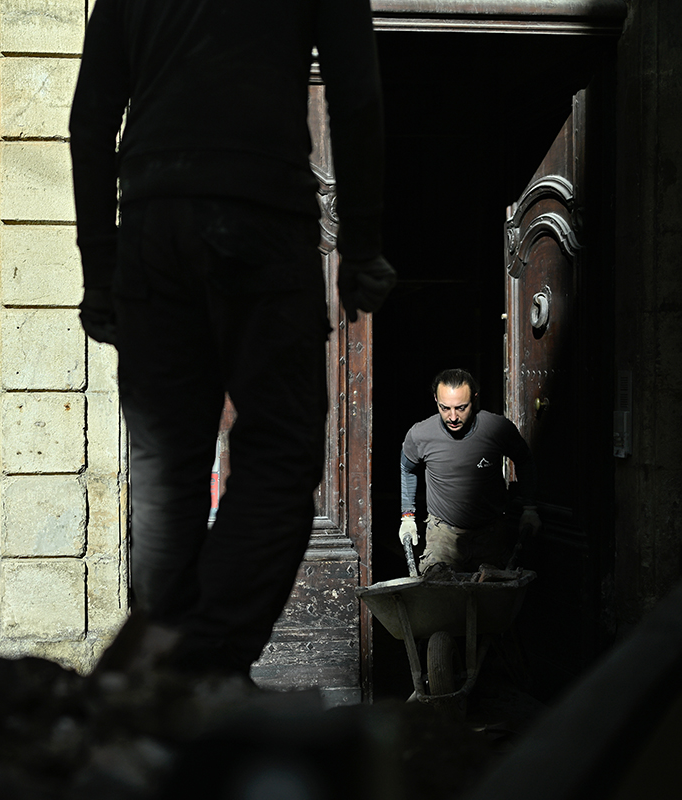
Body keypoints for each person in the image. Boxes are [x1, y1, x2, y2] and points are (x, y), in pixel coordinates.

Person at [69, 0, 396, 679]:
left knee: (166, 460)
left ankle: (164, 653)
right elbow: (357, 97)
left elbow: (90, 122)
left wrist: (101, 273)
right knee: (281, 448)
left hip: (155, 226)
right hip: (261, 217)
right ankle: (203, 660)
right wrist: (360, 247)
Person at [399, 369, 541, 573]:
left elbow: (525, 460)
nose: (453, 417)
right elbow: (407, 467)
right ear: (436, 399)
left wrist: (530, 509)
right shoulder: (421, 434)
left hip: (490, 534)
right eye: (445, 408)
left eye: (461, 408)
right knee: (438, 592)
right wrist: (407, 516)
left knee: (490, 597)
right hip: (443, 535)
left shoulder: (497, 429)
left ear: (474, 399)